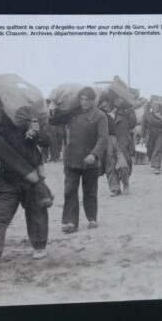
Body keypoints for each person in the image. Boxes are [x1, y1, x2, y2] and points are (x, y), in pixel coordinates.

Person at [0, 94, 52, 269]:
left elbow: (47, 142)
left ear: (1, 106)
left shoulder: (21, 120)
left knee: (36, 211)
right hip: (7, 179)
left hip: (31, 175)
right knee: (0, 217)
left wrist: (36, 131)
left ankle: (39, 246)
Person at [49, 86, 109, 234]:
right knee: (69, 191)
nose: (84, 102)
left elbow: (103, 138)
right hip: (71, 160)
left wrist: (94, 155)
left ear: (93, 101)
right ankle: (70, 222)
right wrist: (52, 109)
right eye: (82, 99)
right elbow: (53, 121)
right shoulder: (72, 113)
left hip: (90, 161)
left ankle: (92, 218)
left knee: (90, 191)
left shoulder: (100, 116)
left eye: (87, 100)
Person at [101, 96, 137, 196]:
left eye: (106, 105)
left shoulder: (123, 112)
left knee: (123, 164)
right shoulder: (101, 115)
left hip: (122, 140)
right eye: (103, 106)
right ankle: (115, 188)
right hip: (108, 140)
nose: (104, 107)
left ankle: (125, 184)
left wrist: (131, 110)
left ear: (111, 103)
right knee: (110, 164)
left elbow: (133, 124)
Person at [142, 97, 162, 174]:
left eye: (156, 103)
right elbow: (144, 124)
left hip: (161, 132)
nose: (155, 105)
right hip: (151, 133)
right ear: (150, 104)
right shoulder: (147, 112)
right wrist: (142, 136)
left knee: (158, 148)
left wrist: (161, 118)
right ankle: (153, 162)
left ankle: (157, 167)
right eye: (153, 103)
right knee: (150, 149)